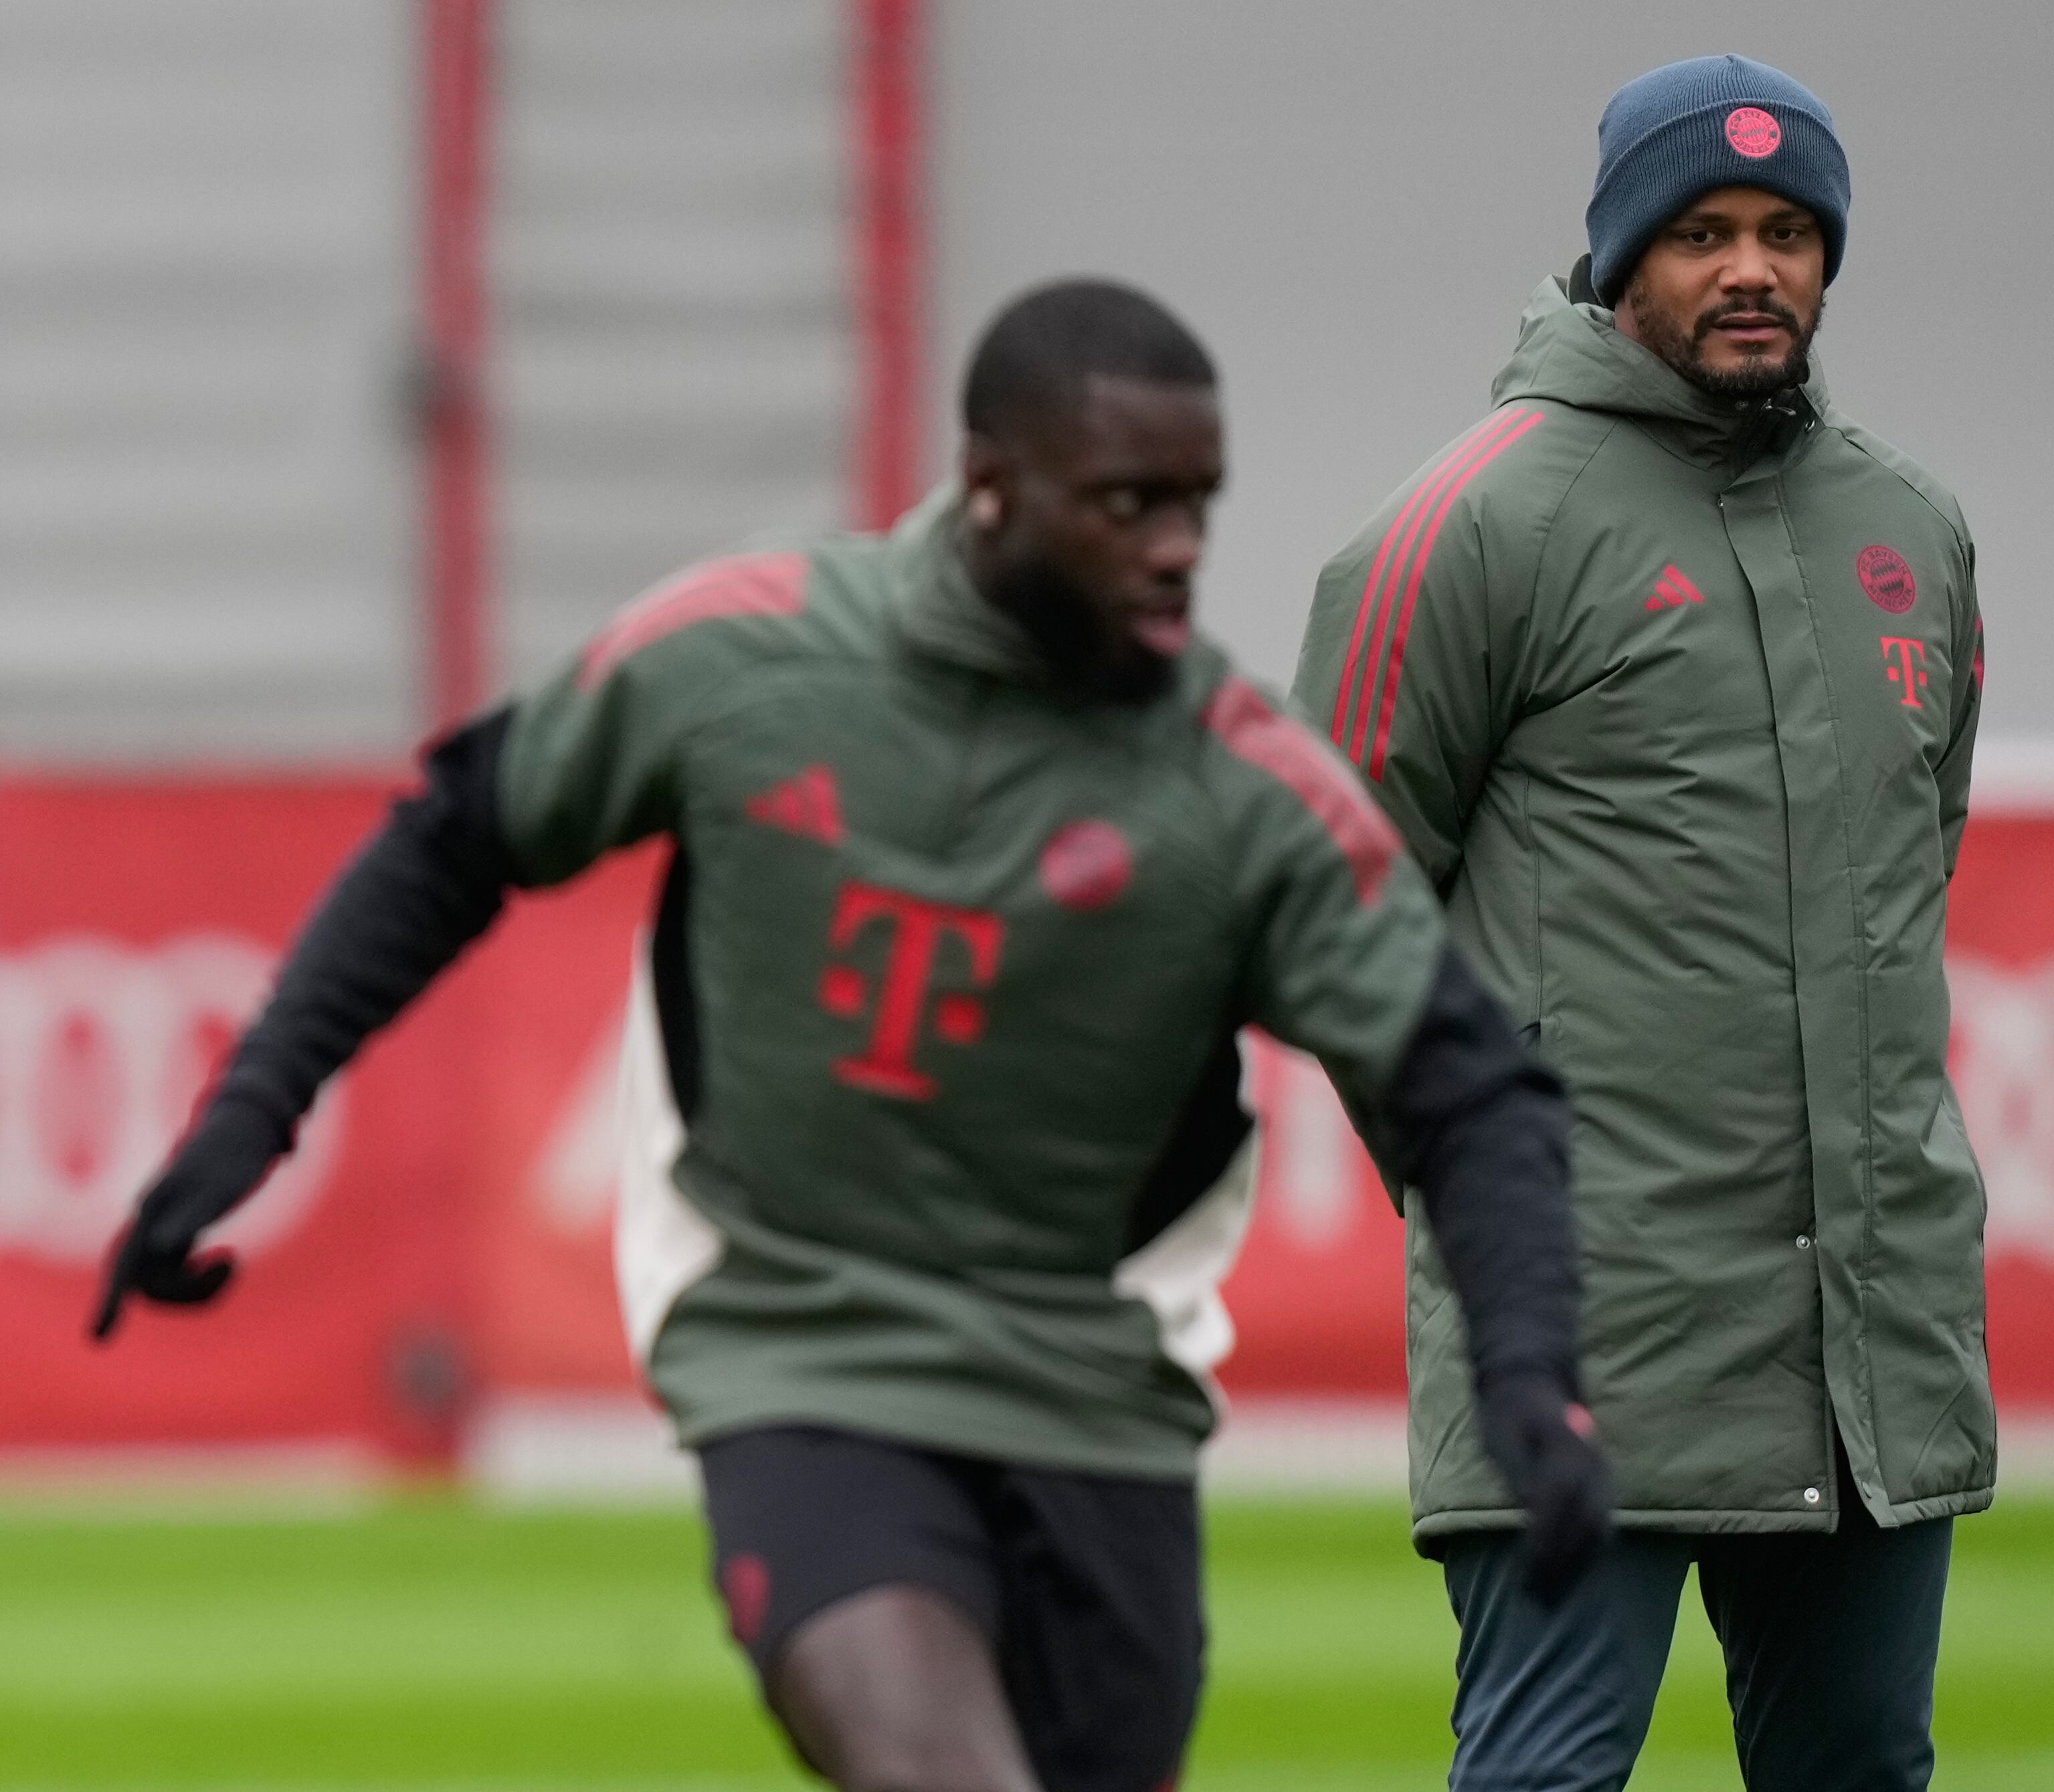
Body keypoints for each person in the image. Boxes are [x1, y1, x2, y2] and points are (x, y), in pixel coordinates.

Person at [94, 280, 1614, 1792]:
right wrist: (250, 1114)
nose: (1176, 549)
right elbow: (455, 831)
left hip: (1096, 1388)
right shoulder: (746, 659)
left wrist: (1529, 1370)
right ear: (992, 489)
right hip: (800, 1350)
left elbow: (1471, 1089)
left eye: (1197, 505)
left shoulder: (1244, 792)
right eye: (1127, 503)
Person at [1294, 56, 1990, 1792]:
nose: (1748, 268)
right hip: (1583, 1336)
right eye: (1697, 233)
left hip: (1866, 1337)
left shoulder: (1912, 532)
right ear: (1618, 258)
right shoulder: (1469, 524)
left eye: (1782, 232)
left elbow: (1916, 871)